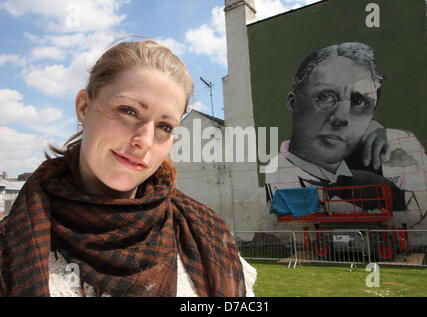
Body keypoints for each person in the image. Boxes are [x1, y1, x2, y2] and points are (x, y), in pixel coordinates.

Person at [0, 40, 256, 297]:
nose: (144, 141)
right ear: (84, 107)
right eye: (129, 111)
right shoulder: (11, 246)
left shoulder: (207, 235)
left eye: (164, 126)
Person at [265, 42, 427, 225]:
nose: (342, 117)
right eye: (325, 97)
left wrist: (407, 150)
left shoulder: (385, 159)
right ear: (293, 103)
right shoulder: (278, 172)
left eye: (359, 102)